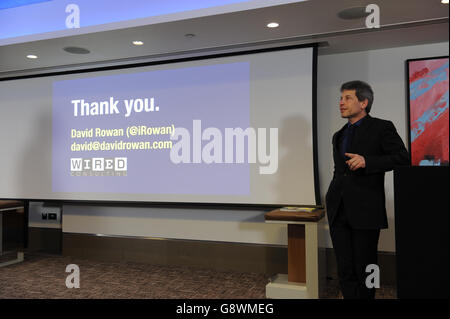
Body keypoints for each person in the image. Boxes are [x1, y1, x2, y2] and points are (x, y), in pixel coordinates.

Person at [325, 80, 409, 299]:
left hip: (366, 210)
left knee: (368, 265)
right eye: (340, 98)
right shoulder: (339, 135)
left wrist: (368, 162)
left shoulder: (382, 127)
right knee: (345, 267)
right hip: (338, 210)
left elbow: (403, 158)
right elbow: (339, 172)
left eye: (347, 98)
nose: (341, 103)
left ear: (364, 102)